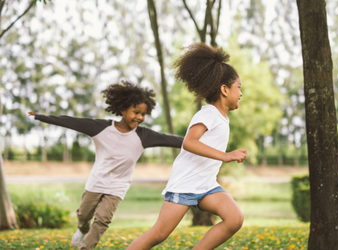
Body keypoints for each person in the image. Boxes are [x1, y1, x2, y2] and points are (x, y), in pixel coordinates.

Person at [28, 80, 183, 250]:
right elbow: (72, 122)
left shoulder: (144, 136)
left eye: (143, 114)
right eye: (136, 112)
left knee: (103, 219)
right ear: (123, 109)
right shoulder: (100, 128)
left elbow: (171, 140)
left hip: (118, 185)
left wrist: (199, 141)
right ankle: (82, 228)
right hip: (97, 180)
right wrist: (40, 116)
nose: (140, 117)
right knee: (84, 213)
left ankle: (86, 248)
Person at [127, 43, 247, 250]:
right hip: (185, 185)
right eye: (239, 87)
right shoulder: (208, 113)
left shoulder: (221, 117)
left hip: (207, 186)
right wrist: (225, 156)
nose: (241, 93)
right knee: (159, 234)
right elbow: (189, 142)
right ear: (225, 89)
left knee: (234, 219)